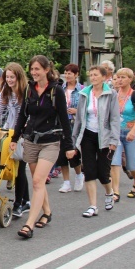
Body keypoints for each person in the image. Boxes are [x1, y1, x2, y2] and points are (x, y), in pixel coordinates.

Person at [10, 55, 74, 239]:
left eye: (37, 69)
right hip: (31, 140)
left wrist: (69, 145)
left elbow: (64, 118)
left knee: (38, 181)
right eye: (32, 69)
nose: (34, 72)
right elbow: (23, 115)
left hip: (50, 142)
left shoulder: (57, 91)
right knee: (38, 181)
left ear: (46, 70)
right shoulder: (29, 89)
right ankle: (47, 212)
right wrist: (15, 137)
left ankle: (29, 225)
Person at [71, 65, 121, 217]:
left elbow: (114, 118)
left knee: (103, 173)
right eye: (91, 75)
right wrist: (74, 141)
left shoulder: (110, 94)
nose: (93, 77)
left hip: (105, 137)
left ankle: (109, 192)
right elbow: (79, 119)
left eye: (96, 75)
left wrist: (114, 139)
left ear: (104, 77)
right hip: (87, 135)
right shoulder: (84, 94)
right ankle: (92, 206)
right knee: (89, 171)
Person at [0, 62, 30, 218]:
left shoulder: (26, 91)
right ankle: (25, 200)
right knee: (12, 166)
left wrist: (22, 130)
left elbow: (27, 114)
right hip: (10, 130)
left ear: (19, 77)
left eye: (12, 77)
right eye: (7, 77)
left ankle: (20, 202)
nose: (10, 80)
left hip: (24, 133)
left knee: (19, 168)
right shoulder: (6, 90)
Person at [110, 68, 135, 200]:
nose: (119, 80)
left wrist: (134, 131)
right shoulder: (114, 95)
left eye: (123, 77)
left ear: (130, 79)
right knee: (115, 161)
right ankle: (115, 191)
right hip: (116, 133)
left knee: (131, 164)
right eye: (118, 77)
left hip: (131, 133)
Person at [58, 63, 85, 193]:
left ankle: (79, 175)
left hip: (75, 125)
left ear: (76, 75)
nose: (68, 75)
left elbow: (87, 108)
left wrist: (77, 110)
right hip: (62, 125)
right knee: (62, 154)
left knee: (73, 153)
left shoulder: (82, 90)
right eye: (66, 73)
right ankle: (66, 182)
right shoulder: (60, 88)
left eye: (70, 73)